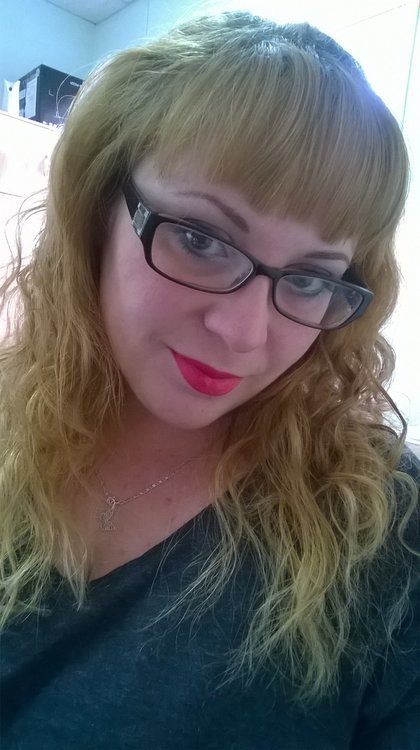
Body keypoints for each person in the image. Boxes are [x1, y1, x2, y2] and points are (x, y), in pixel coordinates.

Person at [0, 10, 419, 750]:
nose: (244, 334)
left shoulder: (384, 532)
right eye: (201, 238)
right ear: (96, 206)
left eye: (310, 279)